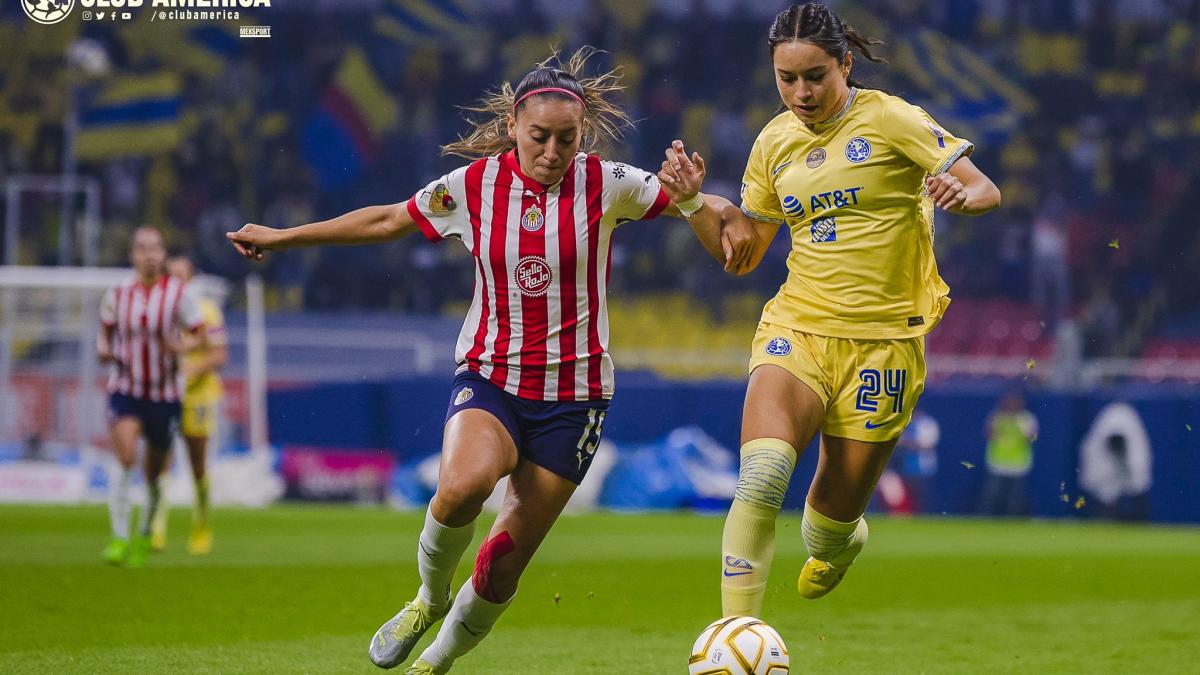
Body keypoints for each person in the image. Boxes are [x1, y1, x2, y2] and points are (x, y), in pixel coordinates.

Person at [226, 49, 752, 674]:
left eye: (566, 139)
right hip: (493, 376)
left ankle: (437, 662)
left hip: (574, 400)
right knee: (461, 488)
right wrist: (285, 237)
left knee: (503, 561)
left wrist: (705, 206)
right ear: (512, 127)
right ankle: (427, 597)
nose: (553, 152)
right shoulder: (474, 187)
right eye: (539, 138)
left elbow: (708, 214)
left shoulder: (607, 182)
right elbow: (388, 220)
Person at [656, 2, 1001, 619]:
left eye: (815, 75)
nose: (801, 92)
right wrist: (691, 206)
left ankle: (842, 541)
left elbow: (983, 187)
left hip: (885, 342)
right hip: (799, 325)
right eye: (786, 78)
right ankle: (737, 634)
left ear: (845, 63)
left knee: (826, 530)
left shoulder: (892, 119)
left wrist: (958, 194)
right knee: (762, 476)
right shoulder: (774, 143)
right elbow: (743, 255)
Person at [98, 226, 206, 567]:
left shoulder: (178, 294)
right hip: (126, 388)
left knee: (154, 472)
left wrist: (181, 345)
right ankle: (118, 537)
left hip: (164, 394)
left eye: (155, 248)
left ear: (163, 254)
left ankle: (145, 531)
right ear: (132, 255)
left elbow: (200, 336)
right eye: (142, 249)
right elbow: (105, 335)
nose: (149, 255)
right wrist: (103, 351)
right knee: (126, 456)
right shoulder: (117, 294)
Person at [148, 255, 228, 554]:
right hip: (165, 394)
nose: (178, 281)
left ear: (192, 278)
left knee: (197, 463)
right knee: (160, 461)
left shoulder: (207, 310)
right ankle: (156, 527)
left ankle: (201, 522)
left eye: (183, 275)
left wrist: (188, 372)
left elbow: (219, 355)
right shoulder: (160, 311)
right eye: (173, 275)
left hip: (198, 395)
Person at [1078, 401, 1152, 521]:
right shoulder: (1098, 449)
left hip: (1129, 463)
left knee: (1136, 495)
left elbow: (1138, 479)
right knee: (1105, 495)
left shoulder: (1134, 447)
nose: (1117, 444)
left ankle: (1139, 520)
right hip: (1107, 462)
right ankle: (1105, 519)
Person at [979, 392, 1038, 517]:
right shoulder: (997, 417)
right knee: (992, 494)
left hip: (1018, 462)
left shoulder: (1026, 418)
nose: (1012, 406)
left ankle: (1012, 519)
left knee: (1015, 497)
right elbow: (988, 434)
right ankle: (986, 518)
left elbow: (1032, 437)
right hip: (998, 461)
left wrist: (1018, 425)